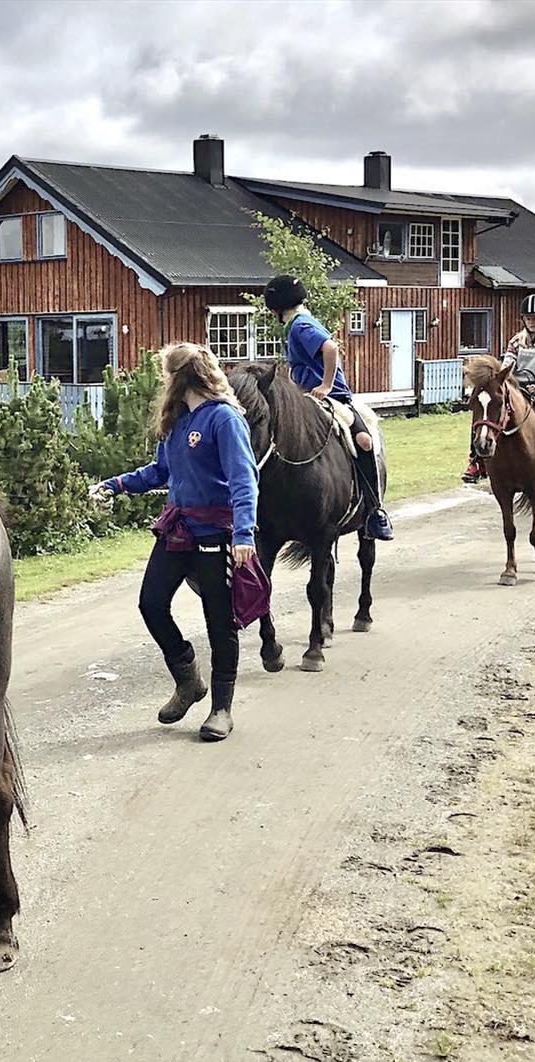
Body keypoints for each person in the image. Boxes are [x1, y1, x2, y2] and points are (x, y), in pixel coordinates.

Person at [90, 343, 259, 742]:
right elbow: (160, 471)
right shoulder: (177, 421)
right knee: (151, 602)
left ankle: (221, 708)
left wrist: (243, 534)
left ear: (181, 377)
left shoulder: (225, 419)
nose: (163, 382)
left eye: (166, 374)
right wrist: (115, 485)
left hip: (216, 533)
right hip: (177, 529)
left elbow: (243, 480)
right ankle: (188, 678)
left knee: (219, 621)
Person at [261, 275, 394, 541]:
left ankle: (374, 509)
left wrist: (326, 384)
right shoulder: (298, 324)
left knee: (364, 440)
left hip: (332, 396)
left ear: (276, 307)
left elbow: (330, 348)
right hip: (309, 398)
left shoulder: (301, 325)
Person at [463, 293, 535, 487]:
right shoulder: (516, 341)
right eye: (528, 318)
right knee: (484, 418)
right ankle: (476, 462)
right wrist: (502, 380)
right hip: (516, 388)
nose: (532, 322)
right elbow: (508, 364)